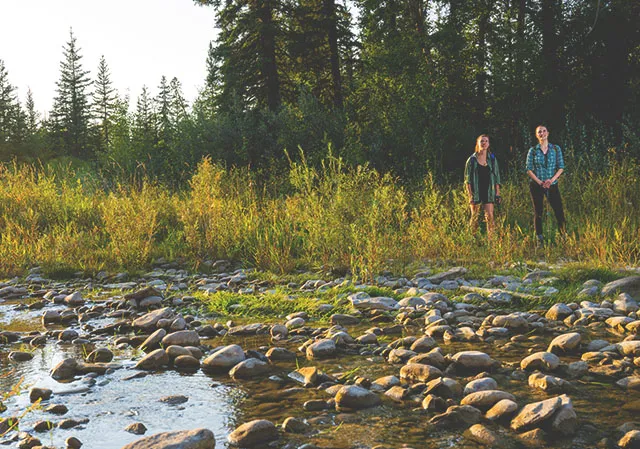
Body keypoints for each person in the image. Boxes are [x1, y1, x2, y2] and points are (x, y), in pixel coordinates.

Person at [526, 125, 566, 247]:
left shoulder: (555, 149)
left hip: (552, 184)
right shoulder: (533, 150)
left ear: (548, 133)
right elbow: (528, 169)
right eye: (539, 132)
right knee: (538, 212)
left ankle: (563, 237)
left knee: (559, 211)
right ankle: (540, 240)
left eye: (544, 131)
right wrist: (540, 182)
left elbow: (561, 167)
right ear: (537, 135)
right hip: (537, 185)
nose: (542, 134)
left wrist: (551, 180)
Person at [464, 134, 501, 235]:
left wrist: (497, 193)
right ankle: (471, 239)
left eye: (486, 141)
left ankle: (491, 241)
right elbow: (467, 180)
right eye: (481, 141)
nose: (484, 143)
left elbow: (497, 177)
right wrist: (470, 195)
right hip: (476, 191)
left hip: (489, 191)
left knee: (489, 216)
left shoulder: (492, 159)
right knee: (474, 217)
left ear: (488, 144)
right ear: (478, 143)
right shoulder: (471, 160)